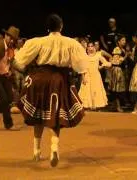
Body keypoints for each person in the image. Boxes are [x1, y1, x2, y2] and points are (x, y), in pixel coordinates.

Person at [11, 14, 90, 167]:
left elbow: (20, 62)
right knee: (55, 115)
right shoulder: (70, 43)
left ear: (48, 28)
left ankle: (36, 151)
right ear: (61, 26)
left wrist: (15, 64)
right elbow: (81, 63)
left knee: (38, 113)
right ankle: (54, 146)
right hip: (59, 80)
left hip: (40, 78)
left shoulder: (38, 41)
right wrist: (83, 73)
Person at [78, 41, 111, 110]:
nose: (90, 48)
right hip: (87, 76)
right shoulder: (85, 56)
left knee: (95, 90)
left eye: (92, 46)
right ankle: (88, 105)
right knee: (87, 90)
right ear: (87, 48)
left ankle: (95, 105)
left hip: (96, 76)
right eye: (89, 46)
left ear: (94, 47)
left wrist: (101, 66)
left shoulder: (98, 56)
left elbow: (107, 63)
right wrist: (83, 77)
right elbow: (82, 68)